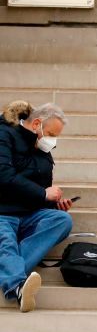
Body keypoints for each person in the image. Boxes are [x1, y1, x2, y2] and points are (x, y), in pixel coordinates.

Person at [0, 101, 74, 313]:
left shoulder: (42, 148)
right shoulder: (4, 134)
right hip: (3, 212)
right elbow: (3, 175)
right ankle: (16, 285)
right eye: (50, 133)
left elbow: (40, 186)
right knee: (5, 241)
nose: (52, 140)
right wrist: (43, 193)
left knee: (62, 220)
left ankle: (9, 268)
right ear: (37, 124)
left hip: (30, 213)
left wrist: (52, 200)